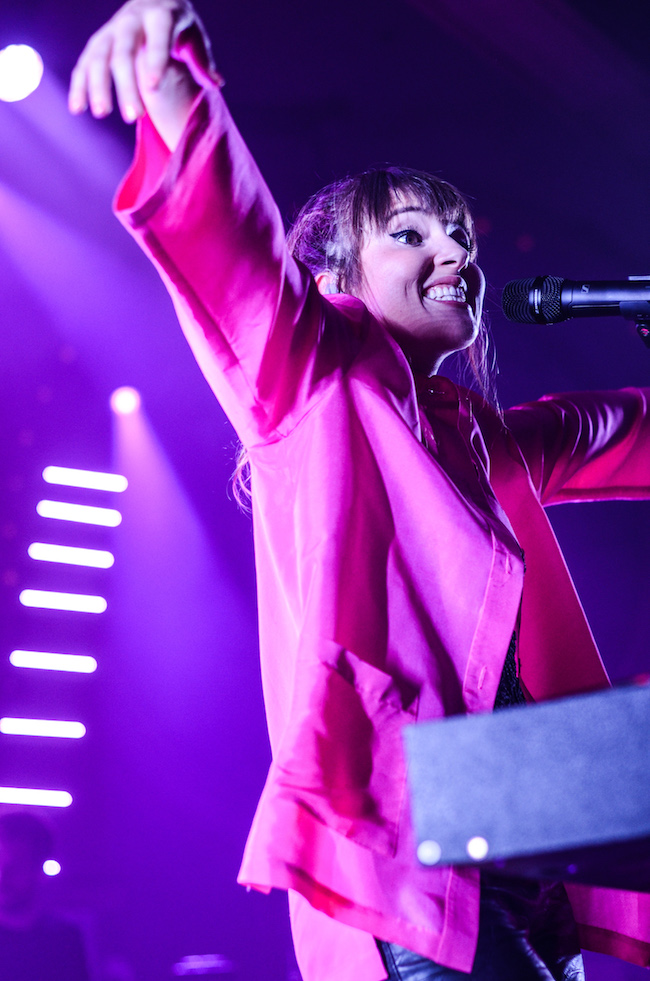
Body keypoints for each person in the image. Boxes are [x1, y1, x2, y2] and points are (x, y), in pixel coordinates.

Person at [69, 4, 650, 979]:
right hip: (412, 870)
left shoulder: (481, 440)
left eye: (459, 235)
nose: (457, 254)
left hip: (527, 847)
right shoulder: (317, 374)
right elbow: (236, 259)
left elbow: (619, 429)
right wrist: (175, 91)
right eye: (414, 234)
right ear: (337, 273)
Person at [0, 811, 90, 981]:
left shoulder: (65, 940)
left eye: (17, 867)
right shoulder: (65, 937)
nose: (3, 876)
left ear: (39, 870)